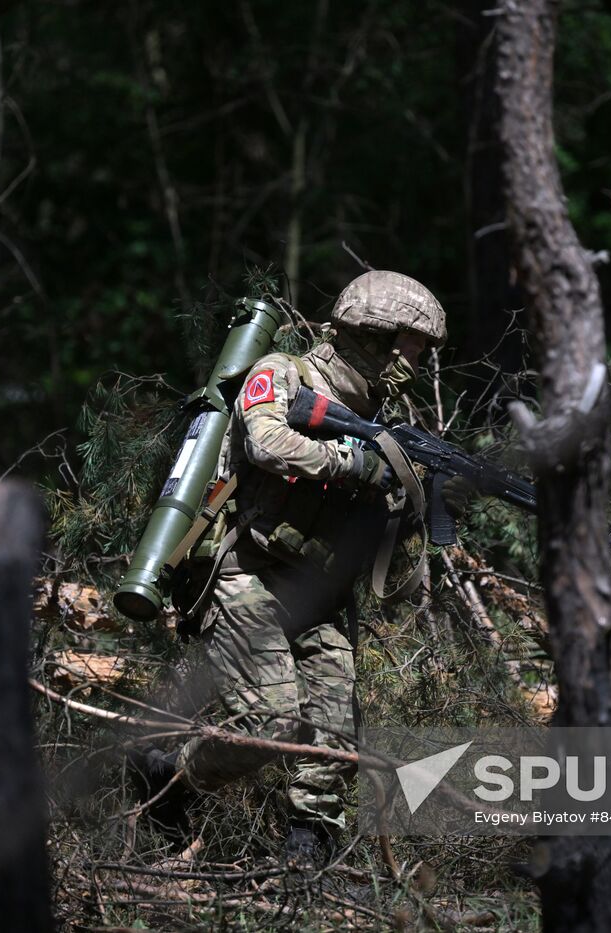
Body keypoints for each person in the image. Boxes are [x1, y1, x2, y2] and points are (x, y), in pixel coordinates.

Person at [131, 270, 468, 869]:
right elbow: (265, 443)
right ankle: (169, 776)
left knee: (335, 731)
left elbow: (383, 524)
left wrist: (423, 491)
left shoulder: (383, 414)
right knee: (270, 718)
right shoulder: (285, 373)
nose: (419, 357)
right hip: (246, 572)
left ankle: (306, 854)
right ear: (377, 334)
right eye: (414, 343)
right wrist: (358, 465)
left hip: (319, 590)